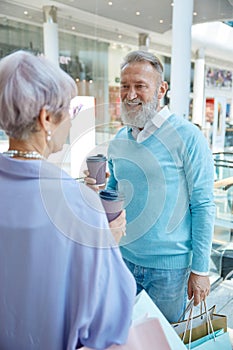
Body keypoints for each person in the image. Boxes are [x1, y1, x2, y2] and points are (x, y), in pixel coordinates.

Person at [0, 50, 136, 350]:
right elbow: (108, 326)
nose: (72, 123)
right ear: (47, 118)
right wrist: (107, 241)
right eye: (69, 112)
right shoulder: (78, 206)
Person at [85, 50, 215, 323]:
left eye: (140, 86)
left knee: (163, 341)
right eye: (124, 86)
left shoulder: (188, 136)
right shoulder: (120, 138)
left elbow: (203, 204)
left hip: (170, 271)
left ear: (161, 89)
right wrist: (95, 192)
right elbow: (115, 191)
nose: (130, 94)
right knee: (125, 338)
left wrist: (200, 270)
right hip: (123, 260)